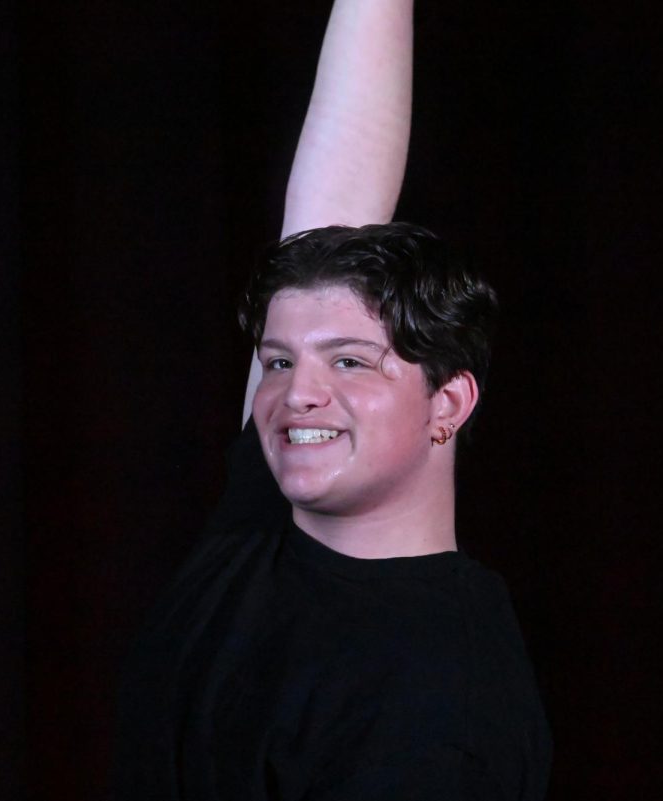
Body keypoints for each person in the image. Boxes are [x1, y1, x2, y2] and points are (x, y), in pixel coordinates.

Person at [111, 1, 550, 798]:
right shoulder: (263, 525)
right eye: (277, 360)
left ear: (448, 403)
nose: (295, 394)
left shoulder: (440, 704)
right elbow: (334, 194)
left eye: (350, 361)